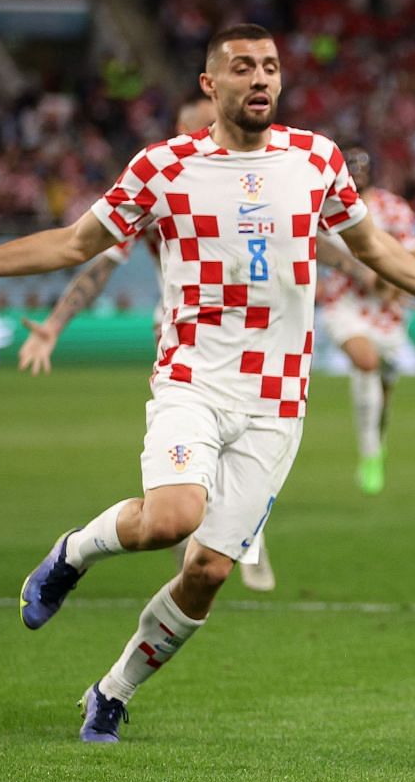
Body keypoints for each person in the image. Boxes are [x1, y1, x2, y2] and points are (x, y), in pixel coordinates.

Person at [0, 23, 415, 742]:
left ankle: (112, 691)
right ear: (211, 85)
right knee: (172, 517)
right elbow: (72, 242)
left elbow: (370, 246)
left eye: (270, 65)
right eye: (243, 67)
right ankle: (72, 554)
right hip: (193, 379)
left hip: (277, 400)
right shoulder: (163, 167)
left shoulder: (316, 159)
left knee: (207, 570)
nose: (261, 78)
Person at [17, 96, 279, 592]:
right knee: (202, 427)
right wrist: (55, 323)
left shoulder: (260, 178)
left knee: (252, 430)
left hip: (256, 328)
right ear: (183, 128)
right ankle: (210, 529)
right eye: (204, 126)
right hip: (182, 325)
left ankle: (239, 536)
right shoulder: (165, 176)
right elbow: (99, 257)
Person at [315, 151, 415, 494]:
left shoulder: (393, 208)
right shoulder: (325, 209)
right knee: (365, 360)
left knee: (384, 388)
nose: (357, 174)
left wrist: (394, 284)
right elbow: (308, 248)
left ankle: (377, 437)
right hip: (342, 302)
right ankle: (369, 454)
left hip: (386, 310)